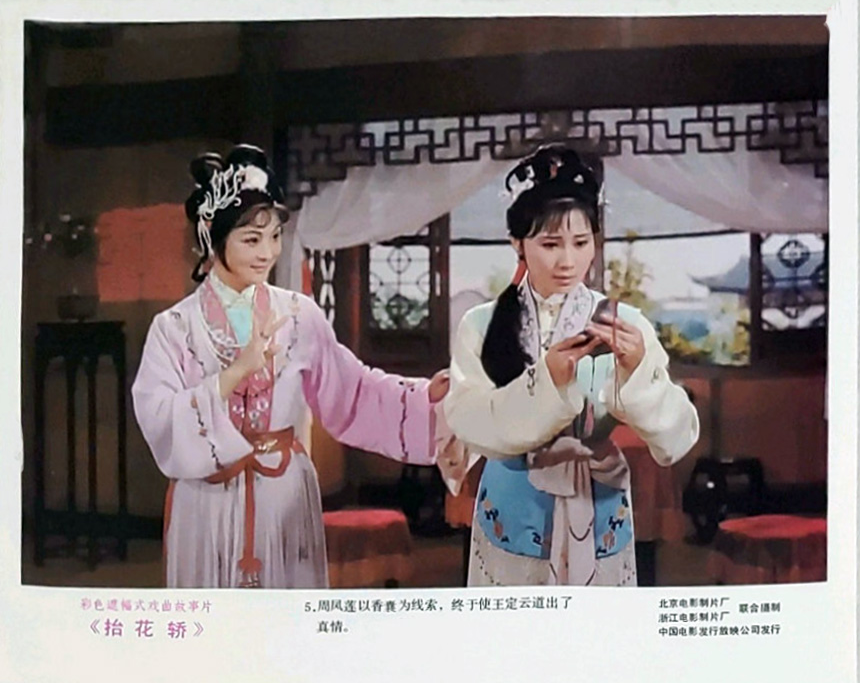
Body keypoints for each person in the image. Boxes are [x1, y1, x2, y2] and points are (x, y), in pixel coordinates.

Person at [132, 144, 449, 589]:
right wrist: (235, 372)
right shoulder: (174, 327)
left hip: (282, 492)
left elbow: (352, 391)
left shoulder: (299, 316)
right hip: (206, 498)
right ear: (211, 237)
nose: (267, 252)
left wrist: (422, 398)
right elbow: (159, 417)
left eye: (275, 236)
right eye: (251, 239)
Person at [441, 144, 699, 587]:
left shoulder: (622, 323)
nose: (568, 261)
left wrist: (637, 374)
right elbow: (468, 422)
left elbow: (678, 436)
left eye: (581, 243)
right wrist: (548, 383)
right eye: (550, 244)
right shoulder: (481, 325)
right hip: (513, 508)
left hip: (597, 504)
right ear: (517, 244)